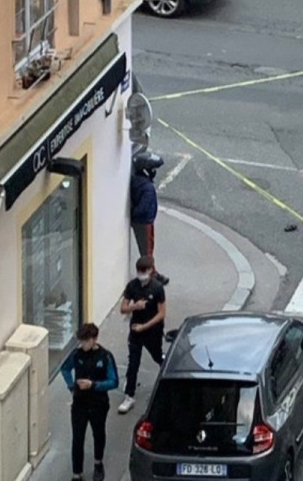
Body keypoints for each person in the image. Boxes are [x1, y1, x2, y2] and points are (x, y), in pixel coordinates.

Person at [61, 323, 118, 481]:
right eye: (81, 341)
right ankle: (76, 472)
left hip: (98, 403)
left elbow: (114, 381)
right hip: (79, 402)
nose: (82, 345)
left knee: (98, 433)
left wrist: (93, 385)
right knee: (77, 437)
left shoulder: (105, 356)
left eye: (86, 341)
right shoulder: (76, 354)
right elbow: (65, 368)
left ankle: (98, 463)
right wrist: (72, 386)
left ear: (94, 339)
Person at [117, 256, 166, 414]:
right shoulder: (132, 286)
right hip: (136, 330)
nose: (141, 274)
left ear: (151, 270)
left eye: (144, 271)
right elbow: (123, 308)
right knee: (133, 363)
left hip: (152, 331)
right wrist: (134, 307)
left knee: (157, 356)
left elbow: (161, 314)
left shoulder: (157, 288)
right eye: (139, 271)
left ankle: (167, 377)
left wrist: (144, 326)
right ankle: (129, 395)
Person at [130, 151, 169, 285]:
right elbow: (143, 207)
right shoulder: (146, 187)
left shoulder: (139, 182)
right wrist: (137, 215)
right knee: (147, 251)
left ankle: (152, 272)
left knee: (148, 249)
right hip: (144, 221)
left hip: (145, 220)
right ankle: (149, 277)